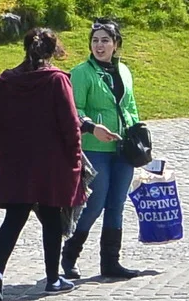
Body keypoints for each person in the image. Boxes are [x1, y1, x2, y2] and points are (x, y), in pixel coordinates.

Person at [0, 26, 84, 301]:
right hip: (50, 163)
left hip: (15, 161)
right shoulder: (57, 81)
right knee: (51, 218)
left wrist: (2, 152)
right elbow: (70, 125)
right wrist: (74, 160)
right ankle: (53, 278)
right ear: (52, 52)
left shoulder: (5, 81)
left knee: (13, 219)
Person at [61, 17, 146, 282]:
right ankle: (70, 253)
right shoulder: (82, 72)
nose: (99, 46)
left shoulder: (124, 72)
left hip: (122, 149)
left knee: (116, 204)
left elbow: (130, 106)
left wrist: (134, 128)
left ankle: (111, 261)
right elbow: (74, 109)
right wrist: (92, 126)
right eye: (95, 41)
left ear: (116, 44)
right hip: (95, 147)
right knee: (95, 203)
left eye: (105, 41)